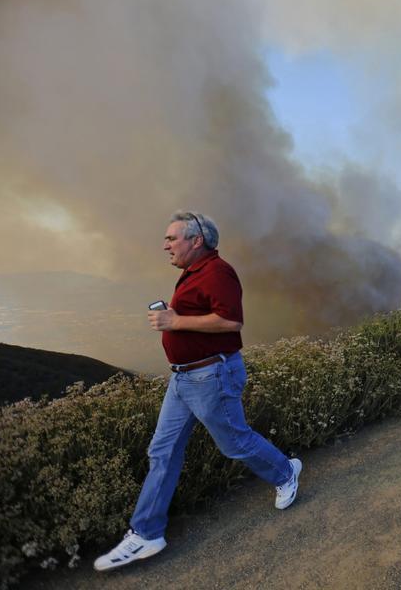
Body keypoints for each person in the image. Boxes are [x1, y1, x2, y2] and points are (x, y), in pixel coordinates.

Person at [94, 211, 302, 572]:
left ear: (196, 240)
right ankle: (146, 533)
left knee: (235, 442)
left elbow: (231, 320)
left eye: (172, 238)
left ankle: (286, 473)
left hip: (211, 377)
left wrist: (174, 321)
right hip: (183, 379)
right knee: (162, 450)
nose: (166, 245)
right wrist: (175, 319)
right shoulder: (193, 274)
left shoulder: (218, 271)